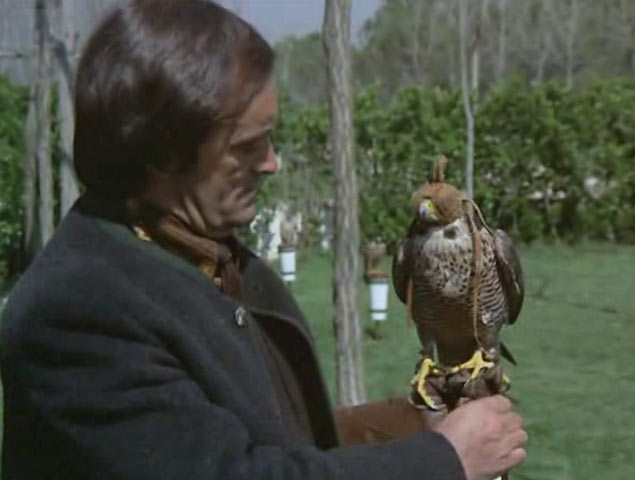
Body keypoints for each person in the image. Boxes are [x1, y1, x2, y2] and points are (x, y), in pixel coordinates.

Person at [0, 1, 526, 479]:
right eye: (248, 145)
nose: (272, 162)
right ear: (162, 154)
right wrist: (441, 460)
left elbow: (261, 438)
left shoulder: (199, 251)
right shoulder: (77, 314)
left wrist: (411, 423)